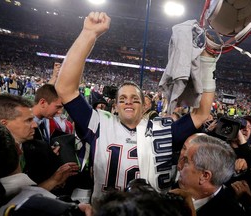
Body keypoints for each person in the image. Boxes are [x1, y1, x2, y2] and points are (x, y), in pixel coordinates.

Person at [55, 11, 216, 205]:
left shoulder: (162, 130)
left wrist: (208, 63)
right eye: (122, 99)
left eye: (134, 99)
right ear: (115, 106)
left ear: (144, 107)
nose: (128, 102)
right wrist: (88, 34)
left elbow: (201, 114)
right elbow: (64, 88)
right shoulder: (100, 124)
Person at [0, 124, 93, 216]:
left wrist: (53, 181)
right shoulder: (51, 208)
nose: (34, 124)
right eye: (27, 120)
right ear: (18, 149)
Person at [0, 94, 79, 192]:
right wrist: (52, 181)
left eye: (32, 119)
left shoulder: (41, 149)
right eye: (28, 120)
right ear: (4, 124)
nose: (35, 125)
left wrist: (56, 180)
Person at [176, 133, 246, 216]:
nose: (179, 166)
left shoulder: (230, 211)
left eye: (186, 161)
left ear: (204, 176)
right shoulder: (177, 189)